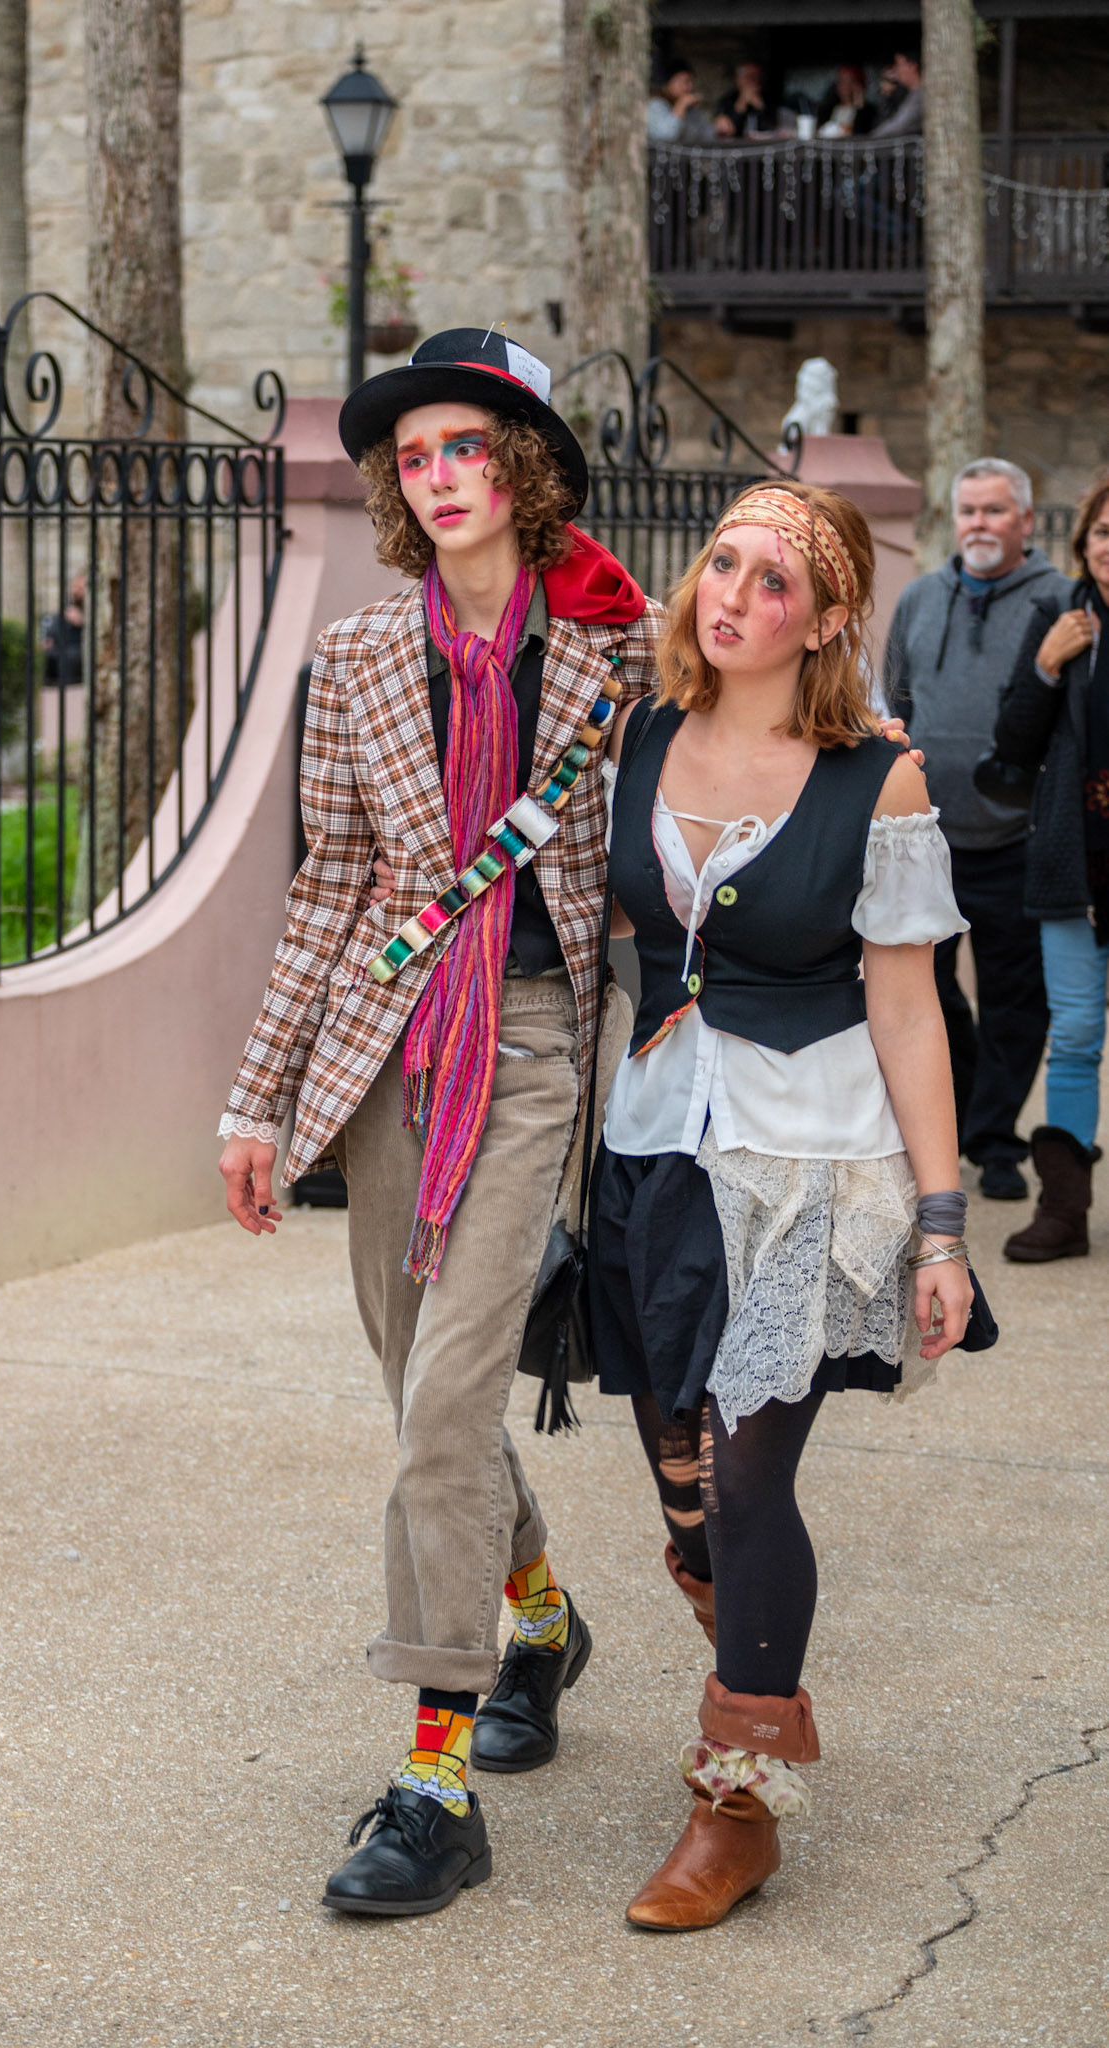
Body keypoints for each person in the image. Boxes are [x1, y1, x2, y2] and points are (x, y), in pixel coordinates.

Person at [217, 327, 660, 1917]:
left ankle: (433, 1785)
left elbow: (752, 768)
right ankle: (536, 1617)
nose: (437, 476)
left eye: (466, 445)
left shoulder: (622, 652)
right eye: (412, 457)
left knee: (443, 1407)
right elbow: (328, 891)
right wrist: (256, 1097)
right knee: (429, 1403)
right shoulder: (354, 657)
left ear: (523, 467)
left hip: (534, 1045)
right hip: (386, 1044)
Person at [589, 480, 974, 1932]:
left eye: (773, 581)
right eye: (721, 564)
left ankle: (736, 1802)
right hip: (655, 1144)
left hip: (812, 1161)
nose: (732, 596)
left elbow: (909, 1008)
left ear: (822, 622)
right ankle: (734, 1617)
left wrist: (941, 1221)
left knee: (750, 1476)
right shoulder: (634, 737)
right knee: (682, 1484)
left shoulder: (879, 780)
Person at [884, 459, 1070, 1200]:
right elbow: (896, 699)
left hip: (1020, 839)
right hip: (928, 838)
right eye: (968, 511)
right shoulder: (921, 597)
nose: (979, 525)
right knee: (929, 990)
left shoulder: (1061, 601)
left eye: (995, 511)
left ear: (1026, 520)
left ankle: (995, 1142)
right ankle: (958, 1116)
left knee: (1015, 998)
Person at [989, 472, 1109, 1260]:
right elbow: (1013, 741)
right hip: (1075, 864)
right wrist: (1045, 665)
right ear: (1083, 541)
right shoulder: (1060, 616)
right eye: (1103, 532)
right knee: (1075, 1036)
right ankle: (1064, 1212)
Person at [648, 59, 714, 144]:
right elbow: (667, 137)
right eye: (684, 82)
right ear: (667, 83)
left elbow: (708, 136)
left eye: (691, 82)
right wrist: (681, 105)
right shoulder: (655, 105)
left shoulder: (691, 110)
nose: (690, 87)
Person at [42, 570, 87, 689]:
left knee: (71, 657)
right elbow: (54, 628)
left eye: (80, 588)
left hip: (77, 650)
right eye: (75, 587)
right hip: (59, 648)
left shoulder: (89, 609)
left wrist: (82, 621)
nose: (76, 591)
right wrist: (49, 640)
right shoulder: (69, 606)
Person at [714, 61, 777, 139]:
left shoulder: (768, 99)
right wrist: (741, 104)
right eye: (747, 76)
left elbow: (774, 129)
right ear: (738, 79)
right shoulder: (726, 101)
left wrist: (760, 106)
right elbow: (727, 131)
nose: (751, 81)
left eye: (755, 76)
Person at [816, 64, 877, 139]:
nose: (844, 86)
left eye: (850, 81)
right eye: (841, 81)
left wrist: (859, 101)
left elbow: (860, 132)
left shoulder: (867, 111)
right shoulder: (830, 108)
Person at [872, 52, 923, 137]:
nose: (895, 69)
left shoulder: (920, 96)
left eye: (898, 64)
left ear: (912, 66)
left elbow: (899, 126)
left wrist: (869, 138)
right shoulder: (906, 94)